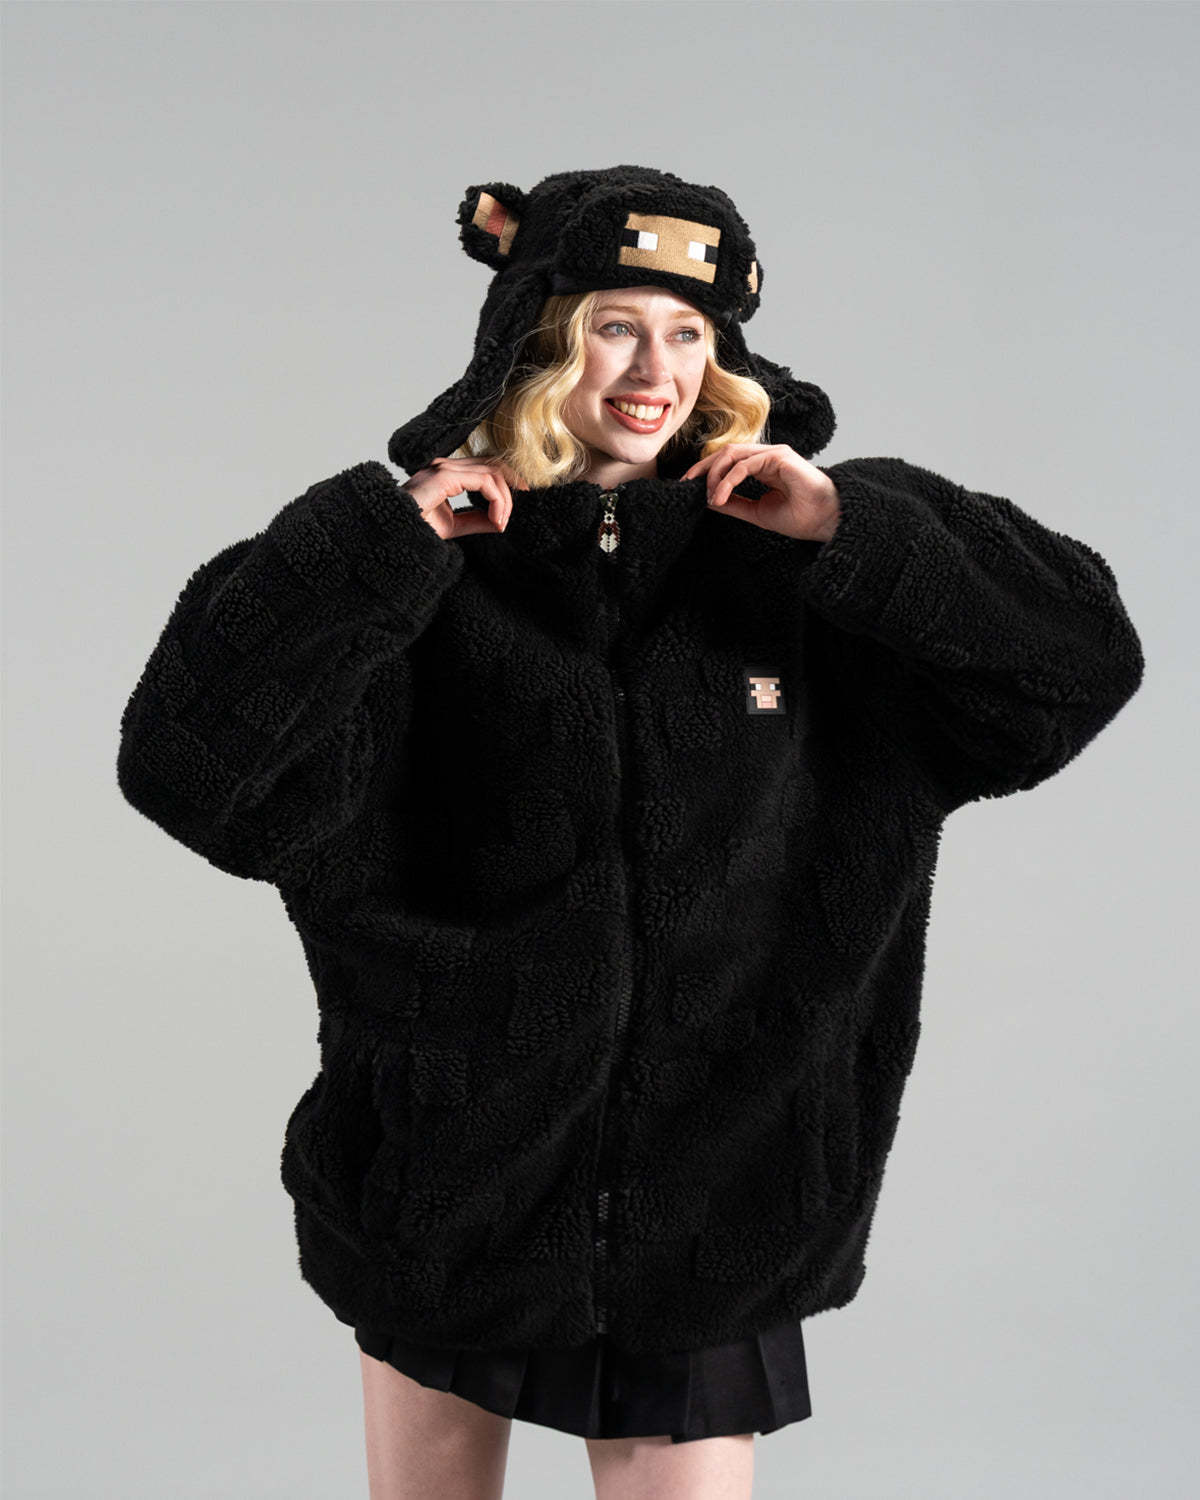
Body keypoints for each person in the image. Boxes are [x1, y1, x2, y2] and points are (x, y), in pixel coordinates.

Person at [115, 166, 1145, 1500]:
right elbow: (192, 767)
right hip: (447, 1185)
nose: (655, 369)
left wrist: (849, 526)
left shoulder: (803, 571)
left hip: (719, 1200)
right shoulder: (428, 574)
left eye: (688, 334)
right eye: (614, 326)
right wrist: (382, 547)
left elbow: (1078, 662)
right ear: (540, 339)